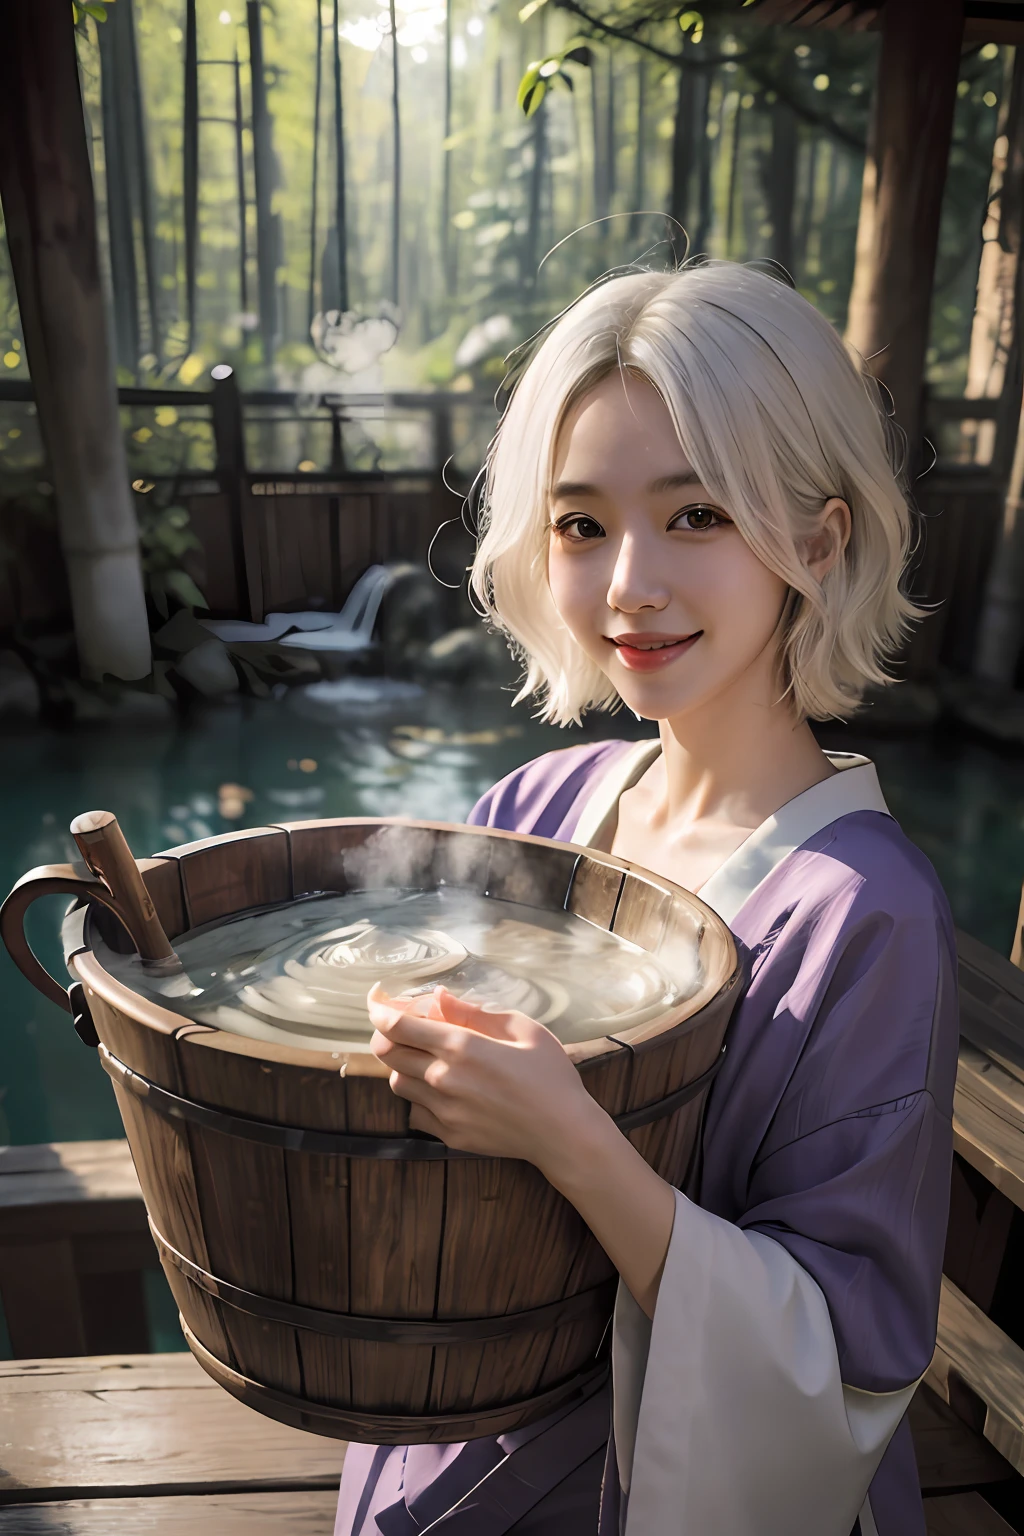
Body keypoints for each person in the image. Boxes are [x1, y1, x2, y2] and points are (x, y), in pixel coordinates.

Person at [335, 261, 958, 1536]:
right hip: (448, 1419)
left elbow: (846, 1351)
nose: (628, 583)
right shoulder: (539, 808)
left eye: (696, 516)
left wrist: (573, 1139)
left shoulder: (865, 914)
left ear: (818, 539)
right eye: (580, 524)